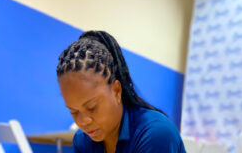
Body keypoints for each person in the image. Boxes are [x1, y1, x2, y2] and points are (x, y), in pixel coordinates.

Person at [56, 31, 186, 153]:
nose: (83, 121)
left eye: (92, 107)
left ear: (116, 91)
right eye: (74, 111)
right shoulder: (82, 141)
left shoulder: (155, 134)